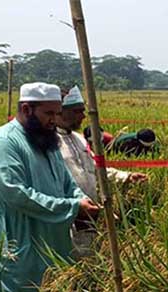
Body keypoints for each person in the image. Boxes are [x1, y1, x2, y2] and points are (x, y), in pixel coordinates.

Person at [0, 82, 100, 292]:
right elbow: (16, 193)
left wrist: (82, 201)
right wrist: (72, 207)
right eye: (48, 113)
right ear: (27, 110)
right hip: (20, 249)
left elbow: (68, 184)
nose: (54, 119)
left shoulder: (48, 142)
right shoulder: (3, 142)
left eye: (57, 113)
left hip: (54, 247)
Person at [57, 86, 147, 258]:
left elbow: (96, 169)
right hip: (65, 214)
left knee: (88, 257)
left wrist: (126, 176)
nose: (83, 116)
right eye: (77, 111)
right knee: (64, 259)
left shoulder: (80, 140)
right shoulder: (48, 143)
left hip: (89, 211)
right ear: (60, 112)